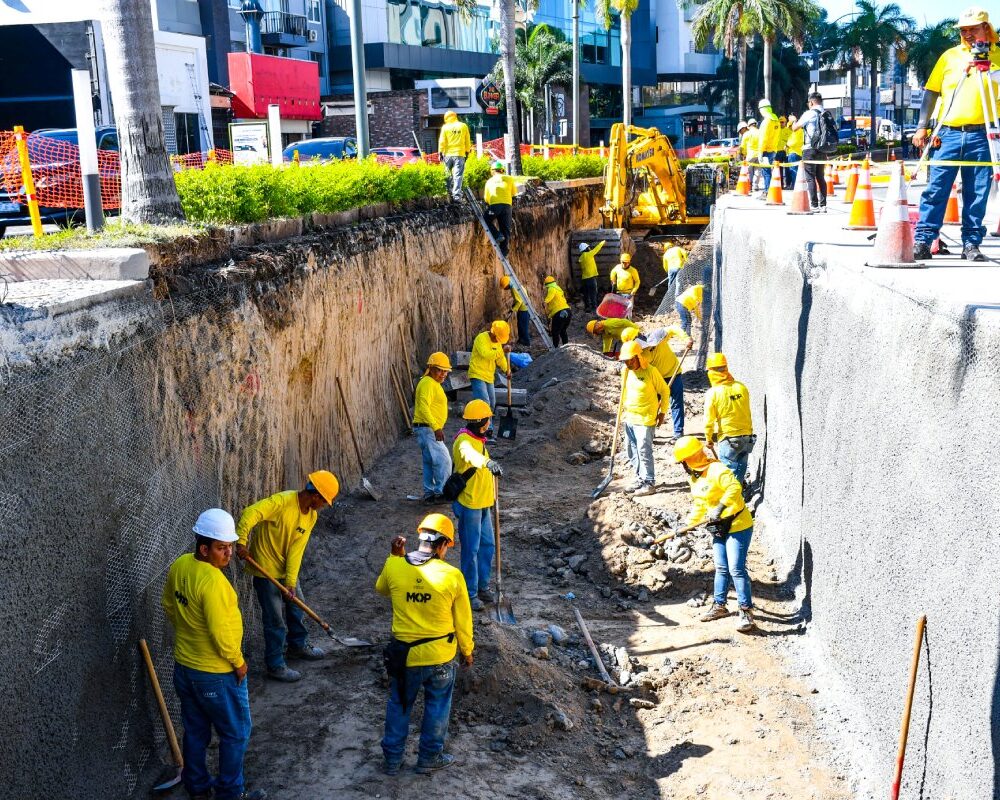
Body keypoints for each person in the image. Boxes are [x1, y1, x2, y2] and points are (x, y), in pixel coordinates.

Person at [163, 508, 267, 800]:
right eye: (222, 548)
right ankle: (230, 793)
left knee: (195, 731)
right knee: (235, 733)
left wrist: (188, 630)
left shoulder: (180, 566)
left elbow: (169, 605)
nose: (229, 553)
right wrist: (238, 662)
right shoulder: (214, 584)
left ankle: (196, 786)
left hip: (185, 668)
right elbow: (221, 633)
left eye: (231, 546)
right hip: (216, 674)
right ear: (204, 547)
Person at [377, 513, 474, 775]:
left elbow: (382, 589)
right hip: (439, 656)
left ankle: (392, 760)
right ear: (443, 545)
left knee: (399, 704)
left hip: (403, 657)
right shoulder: (452, 576)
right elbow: (463, 621)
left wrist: (394, 557)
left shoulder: (395, 566)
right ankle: (429, 756)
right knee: (437, 706)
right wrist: (467, 651)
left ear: (421, 539)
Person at [912, 7, 1000, 262]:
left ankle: (971, 244)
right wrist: (921, 126)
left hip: (983, 135)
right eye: (963, 30)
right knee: (935, 189)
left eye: (973, 29)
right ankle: (924, 240)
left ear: (987, 28)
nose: (968, 35)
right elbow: (931, 92)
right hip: (948, 133)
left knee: (978, 193)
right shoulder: (950, 57)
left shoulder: (998, 57)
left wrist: (991, 72)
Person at [234, 471, 339, 682]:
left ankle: (298, 645)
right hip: (265, 570)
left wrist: (291, 581)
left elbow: (296, 550)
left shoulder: (311, 516)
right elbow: (250, 513)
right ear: (315, 495)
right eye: (324, 501)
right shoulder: (281, 502)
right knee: (275, 621)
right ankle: (275, 665)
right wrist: (242, 541)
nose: (324, 505)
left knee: (296, 606)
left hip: (285, 570)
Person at [673, 436, 756, 633]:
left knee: (736, 568)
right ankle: (720, 605)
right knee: (721, 567)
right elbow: (700, 505)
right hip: (718, 526)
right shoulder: (694, 477)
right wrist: (686, 526)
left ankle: (746, 611)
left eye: (683, 461)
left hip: (737, 524)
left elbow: (735, 488)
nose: (683, 465)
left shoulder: (716, 470)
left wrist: (720, 507)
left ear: (690, 459)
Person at [451, 399, 503, 611]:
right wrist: (487, 462)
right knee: (471, 550)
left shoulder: (478, 439)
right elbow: (470, 456)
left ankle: (483, 586)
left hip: (484, 504)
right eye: (488, 420)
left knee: (487, 546)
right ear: (481, 422)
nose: (490, 424)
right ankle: (470, 593)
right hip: (470, 504)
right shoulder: (464, 440)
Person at [622, 325, 692, 441]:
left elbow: (674, 328)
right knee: (654, 405)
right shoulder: (639, 355)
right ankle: (650, 431)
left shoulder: (657, 336)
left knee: (676, 403)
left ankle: (678, 432)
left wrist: (686, 339)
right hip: (657, 379)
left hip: (674, 373)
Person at [618, 340, 670, 496]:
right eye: (625, 361)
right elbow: (623, 392)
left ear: (638, 357)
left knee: (643, 449)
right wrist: (621, 412)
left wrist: (662, 413)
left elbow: (665, 391)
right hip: (630, 417)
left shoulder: (650, 371)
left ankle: (649, 481)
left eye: (630, 360)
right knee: (631, 449)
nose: (628, 363)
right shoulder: (625, 371)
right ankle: (639, 477)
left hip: (646, 419)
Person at [704, 352, 755, 484]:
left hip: (729, 439)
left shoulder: (713, 393)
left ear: (711, 372)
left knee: (728, 477)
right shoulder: (741, 387)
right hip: (747, 437)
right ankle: (740, 498)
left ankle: (732, 502)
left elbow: (708, 421)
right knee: (740, 471)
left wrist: (708, 438)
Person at [414, 352, 454, 504]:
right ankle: (440, 492)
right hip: (428, 429)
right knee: (444, 461)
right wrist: (436, 427)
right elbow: (424, 407)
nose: (443, 374)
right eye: (439, 370)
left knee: (430, 462)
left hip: (425, 429)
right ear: (430, 368)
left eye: (445, 371)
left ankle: (429, 494)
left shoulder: (431, 383)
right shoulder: (428, 384)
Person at [792, 93, 828, 212]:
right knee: (820, 177)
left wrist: (793, 121)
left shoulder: (809, 113)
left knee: (810, 177)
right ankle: (823, 205)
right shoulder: (826, 113)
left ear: (811, 102)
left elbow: (795, 128)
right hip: (823, 149)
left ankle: (814, 205)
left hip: (809, 149)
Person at [468, 320, 511, 422]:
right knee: (484, 402)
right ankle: (487, 429)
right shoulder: (481, 339)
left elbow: (500, 359)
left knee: (492, 402)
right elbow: (486, 354)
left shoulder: (497, 343)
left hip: (489, 376)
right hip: (477, 374)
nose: (498, 341)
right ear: (493, 333)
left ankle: (485, 425)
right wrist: (501, 352)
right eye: (498, 338)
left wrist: (507, 370)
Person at [483, 161, 516, 256]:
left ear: (492, 171)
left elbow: (486, 198)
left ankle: (497, 235)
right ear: (502, 170)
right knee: (505, 228)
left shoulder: (489, 181)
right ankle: (504, 250)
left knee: (486, 220)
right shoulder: (509, 179)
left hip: (495, 206)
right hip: (507, 206)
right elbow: (513, 193)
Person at [438, 111, 471, 201]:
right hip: (460, 154)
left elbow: (442, 141)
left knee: (447, 174)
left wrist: (440, 152)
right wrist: (467, 151)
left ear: (446, 118)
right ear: (455, 116)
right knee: (458, 175)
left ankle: (447, 193)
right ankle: (456, 196)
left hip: (447, 155)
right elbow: (467, 140)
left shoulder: (445, 127)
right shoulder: (463, 126)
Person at [756, 99, 780, 197]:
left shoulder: (766, 121)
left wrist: (760, 152)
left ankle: (767, 192)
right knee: (770, 171)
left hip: (765, 150)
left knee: (766, 172)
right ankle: (770, 191)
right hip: (773, 149)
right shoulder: (776, 120)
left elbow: (763, 138)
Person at [500, 276, 530, 346]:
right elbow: (518, 298)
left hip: (524, 310)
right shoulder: (516, 285)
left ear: (507, 285)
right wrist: (514, 305)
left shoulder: (514, 288)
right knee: (520, 325)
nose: (505, 289)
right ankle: (521, 340)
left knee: (523, 327)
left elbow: (519, 301)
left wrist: (513, 310)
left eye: (505, 287)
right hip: (524, 308)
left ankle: (526, 343)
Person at [543, 274, 572, 346]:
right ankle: (566, 346)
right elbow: (559, 303)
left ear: (547, 284)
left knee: (555, 332)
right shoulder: (558, 288)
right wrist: (550, 316)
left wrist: (545, 301)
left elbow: (550, 296)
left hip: (560, 313)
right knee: (563, 330)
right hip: (568, 311)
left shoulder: (551, 288)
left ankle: (555, 348)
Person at [578, 239, 606, 312]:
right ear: (586, 249)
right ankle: (594, 308)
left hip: (584, 279)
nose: (589, 248)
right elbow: (597, 249)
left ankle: (587, 307)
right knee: (593, 293)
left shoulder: (581, 257)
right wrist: (602, 242)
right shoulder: (589, 254)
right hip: (591, 278)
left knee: (586, 294)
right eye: (588, 247)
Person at [784, 113, 803, 189]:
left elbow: (794, 142)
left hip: (793, 153)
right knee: (797, 171)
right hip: (798, 153)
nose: (790, 128)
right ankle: (796, 185)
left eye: (790, 126)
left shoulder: (796, 131)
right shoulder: (800, 130)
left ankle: (794, 185)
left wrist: (787, 145)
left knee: (793, 170)